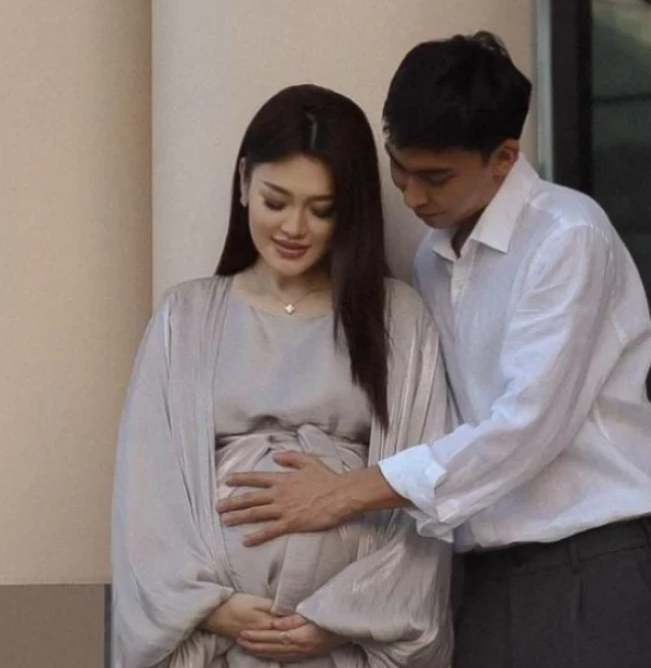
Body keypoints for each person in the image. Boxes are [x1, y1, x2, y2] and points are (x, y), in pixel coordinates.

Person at [218, 33, 651, 668]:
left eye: (436, 177)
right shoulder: (432, 258)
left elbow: (527, 426)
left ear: (504, 158)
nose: (413, 196)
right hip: (483, 582)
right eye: (400, 169)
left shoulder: (567, 236)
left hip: (596, 569)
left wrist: (346, 492)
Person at [111, 84, 453, 668]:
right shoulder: (185, 317)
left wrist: (338, 618)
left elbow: (426, 492)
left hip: (344, 646)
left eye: (321, 210)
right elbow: (145, 493)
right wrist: (212, 607)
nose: (294, 227)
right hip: (219, 646)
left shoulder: (400, 319)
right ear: (244, 181)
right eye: (276, 201)